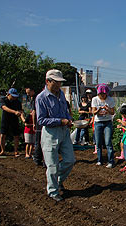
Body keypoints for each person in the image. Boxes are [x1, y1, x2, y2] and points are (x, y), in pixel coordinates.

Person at [36, 69, 76, 202]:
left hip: (64, 132)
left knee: (70, 160)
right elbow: (41, 120)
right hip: (50, 134)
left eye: (60, 82)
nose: (59, 85)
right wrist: (60, 120)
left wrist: (68, 119)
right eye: (56, 82)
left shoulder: (61, 95)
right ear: (48, 81)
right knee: (52, 166)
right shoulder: (41, 98)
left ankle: (58, 181)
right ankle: (53, 191)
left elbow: (65, 111)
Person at [91, 83, 116, 167]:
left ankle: (111, 161)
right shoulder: (95, 99)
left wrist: (107, 109)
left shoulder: (110, 100)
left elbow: (113, 112)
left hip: (107, 122)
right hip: (98, 122)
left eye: (104, 94)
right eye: (100, 94)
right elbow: (93, 112)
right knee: (98, 143)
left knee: (108, 142)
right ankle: (99, 160)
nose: (102, 95)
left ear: (106, 93)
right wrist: (98, 110)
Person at [0, 88, 23, 157]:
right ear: (8, 94)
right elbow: (4, 108)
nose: (14, 97)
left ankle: (16, 151)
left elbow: (20, 111)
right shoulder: (3, 99)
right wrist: (14, 112)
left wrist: (22, 118)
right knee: (2, 135)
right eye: (12, 96)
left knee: (16, 135)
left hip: (14, 119)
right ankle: (2, 150)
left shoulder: (17, 102)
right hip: (5, 119)